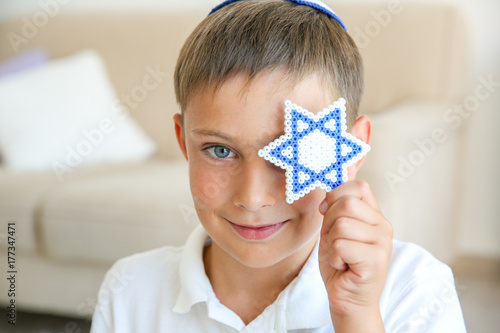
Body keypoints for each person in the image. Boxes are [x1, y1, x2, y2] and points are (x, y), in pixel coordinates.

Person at [90, 0, 467, 332]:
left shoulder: (415, 288)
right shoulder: (129, 291)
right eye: (220, 151)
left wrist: (356, 315)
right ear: (182, 141)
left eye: (288, 154)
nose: (253, 198)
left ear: (351, 150)